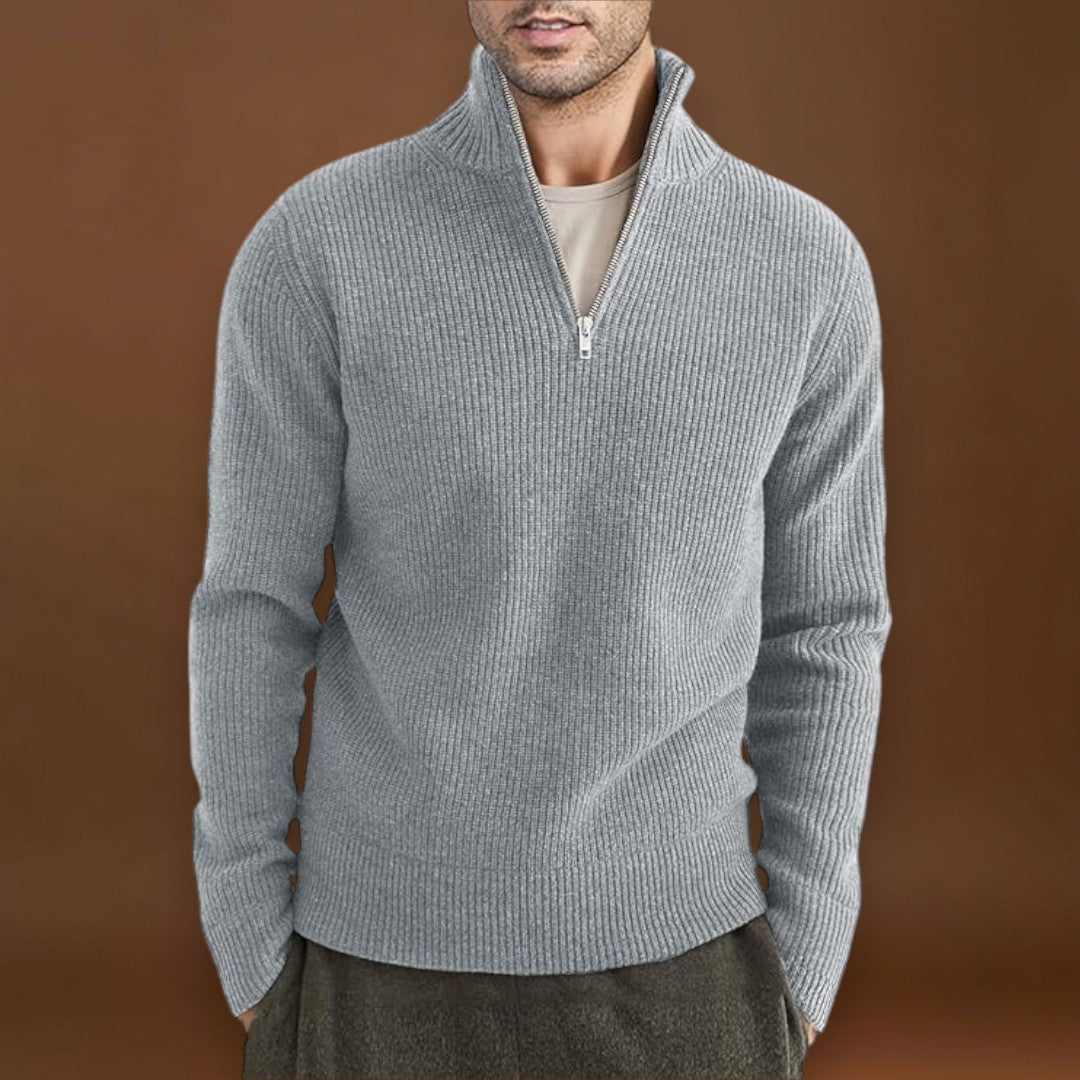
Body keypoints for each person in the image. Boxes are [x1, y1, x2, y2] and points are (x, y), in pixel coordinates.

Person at [188, 1, 892, 1076]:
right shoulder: (319, 243)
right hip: (370, 968)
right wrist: (246, 935)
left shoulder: (804, 262)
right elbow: (252, 606)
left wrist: (806, 951)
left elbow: (826, 626)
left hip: (696, 967)